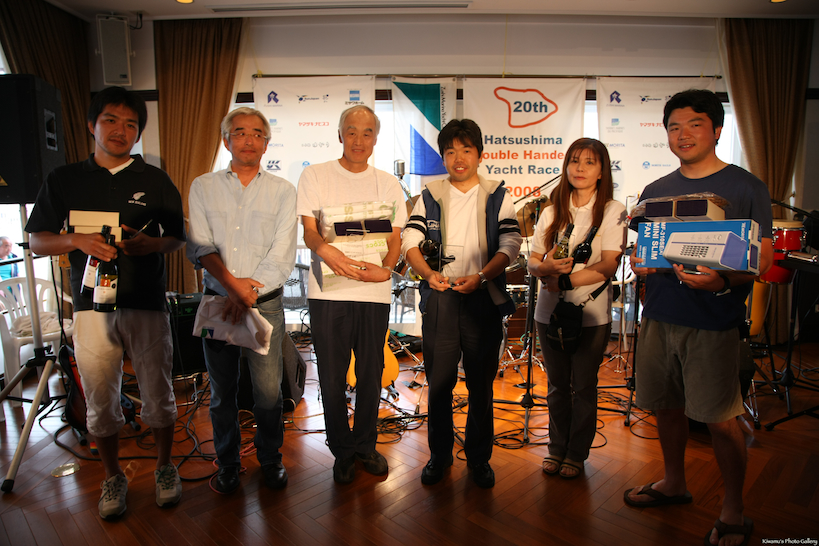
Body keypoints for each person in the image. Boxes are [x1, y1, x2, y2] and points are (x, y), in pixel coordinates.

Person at [25, 86, 186, 519]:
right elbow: (37, 240)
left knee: (158, 391)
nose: (121, 130)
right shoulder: (64, 179)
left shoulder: (154, 179)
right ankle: (113, 476)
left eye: (131, 124)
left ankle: (165, 467)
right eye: (111, 120)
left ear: (138, 133)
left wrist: (152, 244)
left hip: (147, 302)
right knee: (99, 395)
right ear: (91, 125)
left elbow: (177, 238)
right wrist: (75, 240)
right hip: (90, 306)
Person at [623, 89, 772, 546]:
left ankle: (733, 510)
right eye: (674, 126)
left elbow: (762, 260)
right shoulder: (656, 190)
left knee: (719, 420)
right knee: (666, 407)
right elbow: (645, 249)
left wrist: (722, 281)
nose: (682, 134)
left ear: (717, 130)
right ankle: (674, 483)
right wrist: (640, 262)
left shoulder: (745, 187)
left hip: (714, 321)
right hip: (659, 316)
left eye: (694, 124)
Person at [402, 119, 523, 488]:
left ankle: (479, 458)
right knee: (439, 384)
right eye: (451, 151)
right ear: (443, 157)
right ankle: (439, 456)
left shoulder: (498, 195)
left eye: (466, 150)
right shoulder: (430, 195)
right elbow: (410, 240)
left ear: (479, 155)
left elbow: (511, 244)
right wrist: (427, 274)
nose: (458, 158)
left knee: (481, 385)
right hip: (441, 297)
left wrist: (482, 277)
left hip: (482, 298)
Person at [187, 108, 297, 494]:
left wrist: (247, 292)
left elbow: (282, 252)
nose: (248, 140)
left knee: (268, 393)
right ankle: (228, 462)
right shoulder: (203, 186)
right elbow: (200, 245)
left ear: (266, 143)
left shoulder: (283, 190)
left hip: (264, 303)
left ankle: (270, 458)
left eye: (256, 134)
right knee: (222, 393)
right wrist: (234, 288)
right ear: (226, 140)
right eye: (239, 132)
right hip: (218, 301)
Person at [297, 105, 407, 484]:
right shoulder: (315, 175)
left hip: (373, 290)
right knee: (330, 374)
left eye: (367, 132)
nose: (359, 140)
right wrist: (326, 251)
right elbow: (310, 231)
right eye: (352, 131)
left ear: (375, 138)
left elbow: (395, 238)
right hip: (328, 291)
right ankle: (341, 449)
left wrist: (386, 270)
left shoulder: (387, 183)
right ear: (340, 135)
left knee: (371, 373)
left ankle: (365, 445)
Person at [527, 138, 626, 479]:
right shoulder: (552, 211)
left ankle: (576, 452)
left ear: (601, 171)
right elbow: (533, 260)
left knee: (583, 385)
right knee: (557, 385)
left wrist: (564, 281)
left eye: (589, 162)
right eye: (574, 161)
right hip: (548, 312)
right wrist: (544, 269)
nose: (580, 168)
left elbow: (609, 265)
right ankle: (556, 447)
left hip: (591, 314)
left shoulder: (612, 210)